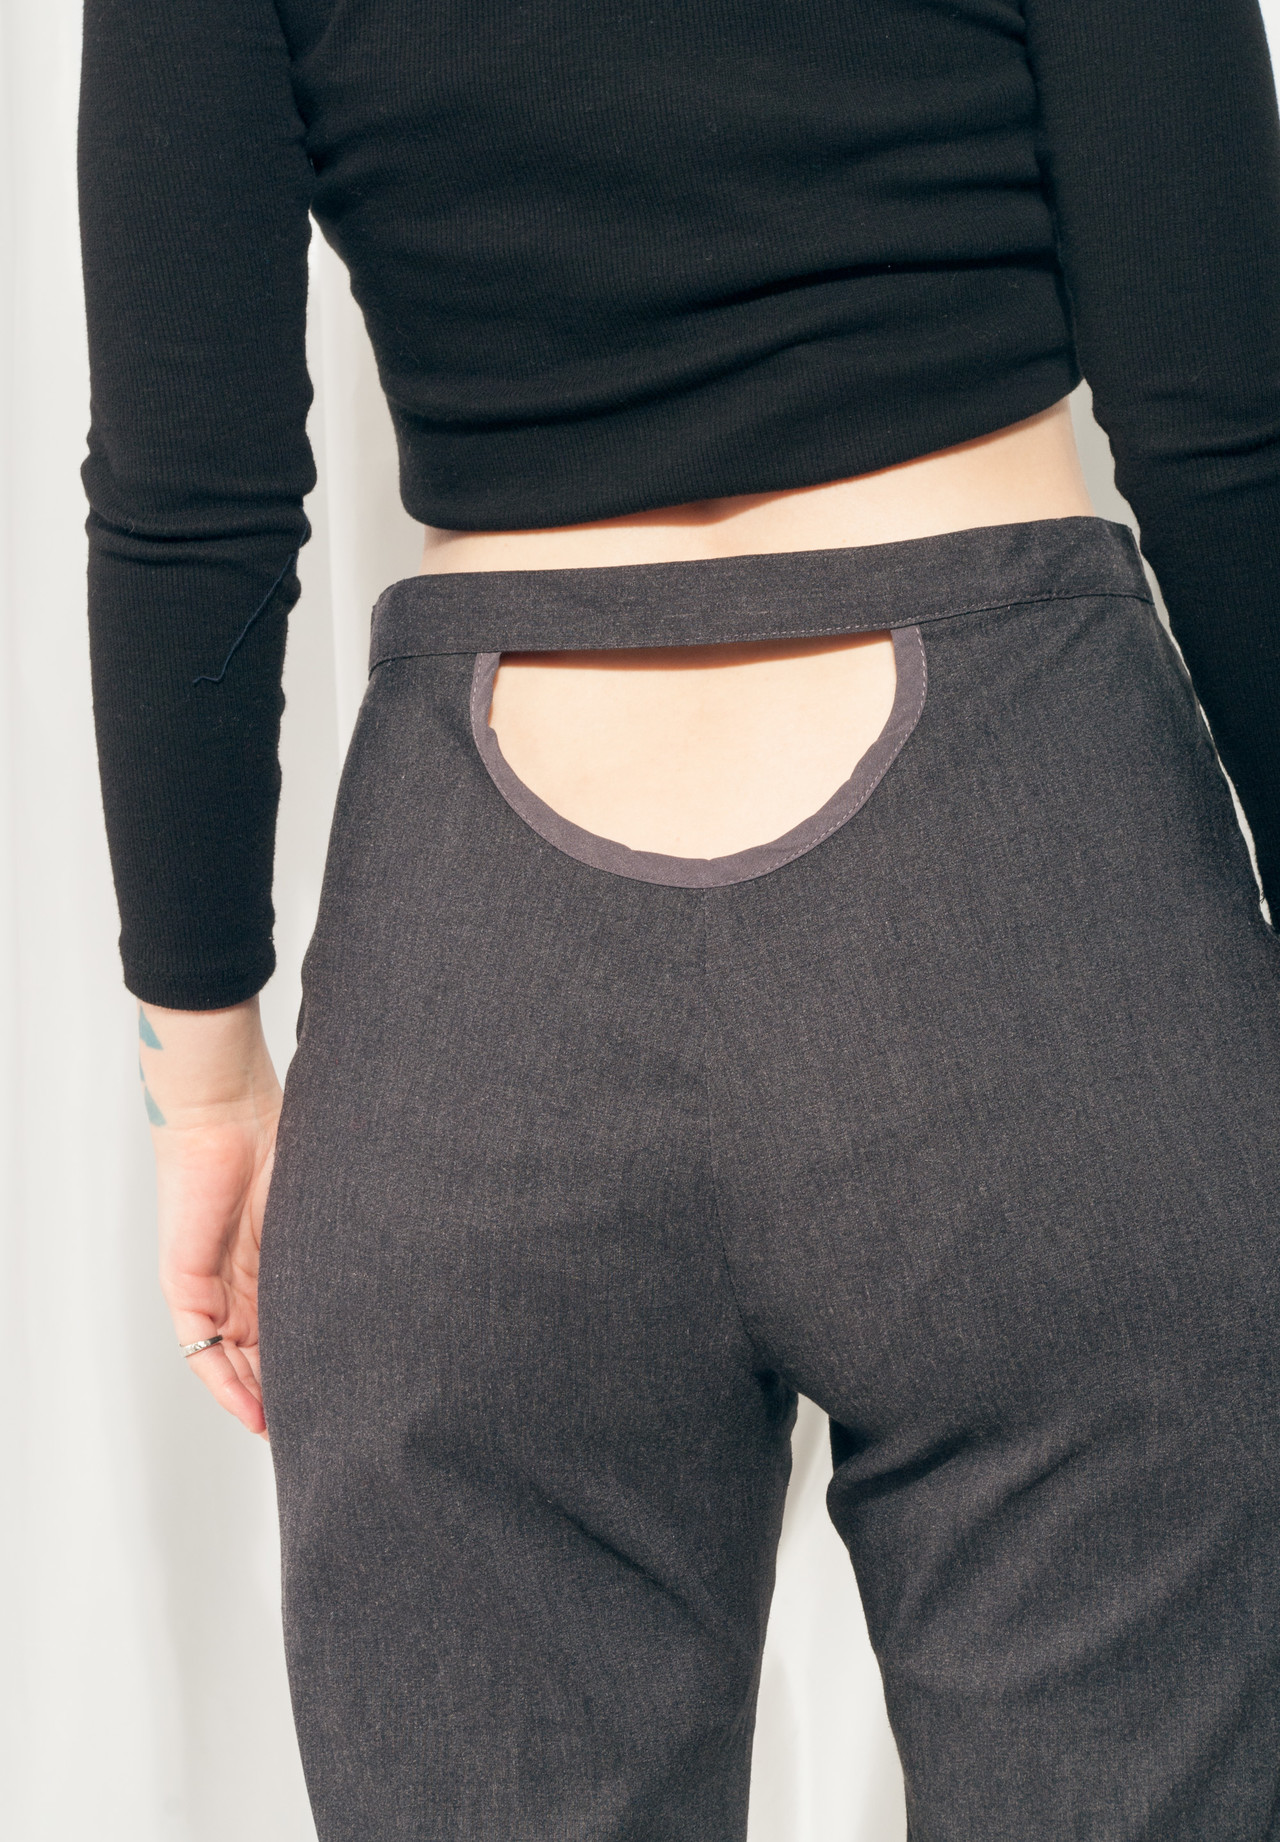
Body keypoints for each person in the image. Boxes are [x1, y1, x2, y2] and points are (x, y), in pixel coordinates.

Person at [78, 0, 1280, 1835]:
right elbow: (1229, 415)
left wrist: (206, 1079)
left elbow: (190, 501)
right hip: (1035, 900)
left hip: (483, 967)